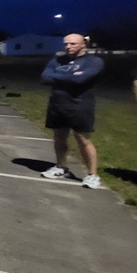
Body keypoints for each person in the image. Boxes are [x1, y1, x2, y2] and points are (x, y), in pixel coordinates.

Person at [39, 34, 104, 189]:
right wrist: (70, 76)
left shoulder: (94, 61)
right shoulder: (57, 60)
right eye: (66, 44)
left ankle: (92, 175)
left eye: (73, 44)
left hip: (80, 105)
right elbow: (44, 78)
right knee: (59, 137)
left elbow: (80, 80)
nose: (68, 47)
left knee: (83, 139)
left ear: (83, 44)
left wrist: (59, 76)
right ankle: (61, 167)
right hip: (57, 104)